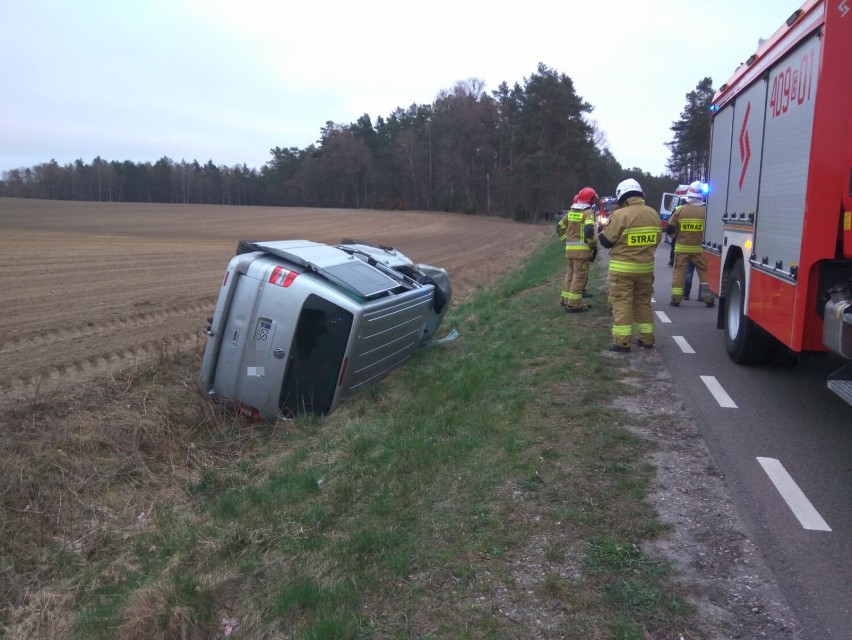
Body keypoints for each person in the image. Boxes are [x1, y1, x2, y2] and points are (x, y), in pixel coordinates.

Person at [598, 178, 661, 351]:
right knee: (643, 302)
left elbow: (605, 241)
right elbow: (657, 239)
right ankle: (646, 339)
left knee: (622, 303)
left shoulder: (620, 215)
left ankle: (622, 342)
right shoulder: (653, 214)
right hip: (646, 269)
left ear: (623, 198)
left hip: (622, 270)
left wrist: (600, 230)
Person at [667, 181, 714, 307]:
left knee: (679, 272)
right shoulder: (707, 212)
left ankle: (676, 298)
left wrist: (677, 237)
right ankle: (708, 298)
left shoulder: (679, 210)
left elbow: (670, 229)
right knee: (704, 273)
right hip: (700, 249)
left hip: (682, 247)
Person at [556, 187, 598, 313]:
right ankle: (574, 305)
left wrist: (567, 242)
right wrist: (592, 245)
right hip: (582, 252)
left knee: (570, 275)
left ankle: (565, 300)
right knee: (579, 277)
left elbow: (559, 228)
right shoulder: (588, 213)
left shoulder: (571, 212)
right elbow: (589, 230)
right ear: (591, 200)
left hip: (570, 251)